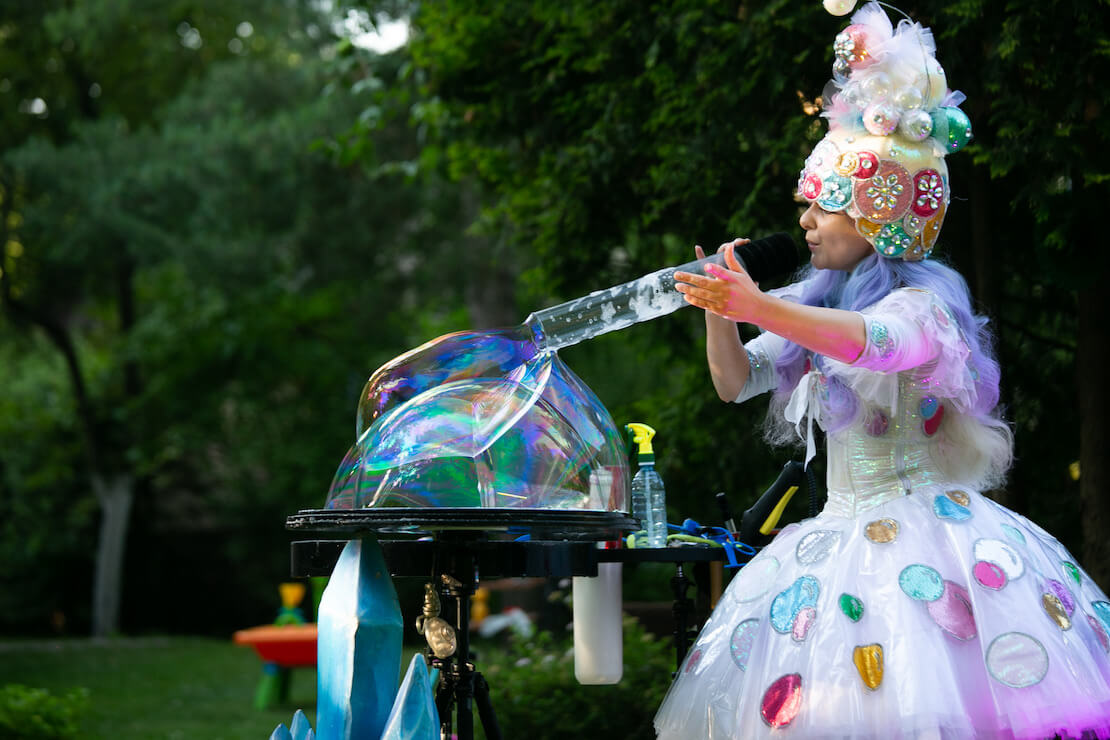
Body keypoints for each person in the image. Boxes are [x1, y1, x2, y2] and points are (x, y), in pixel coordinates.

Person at [655, 3, 1110, 738]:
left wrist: (759, 306)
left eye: (826, 205)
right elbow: (734, 382)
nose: (806, 221)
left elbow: (875, 344)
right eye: (808, 204)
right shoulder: (812, 304)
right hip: (836, 535)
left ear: (879, 213)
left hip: (926, 537)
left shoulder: (923, 308)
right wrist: (721, 307)